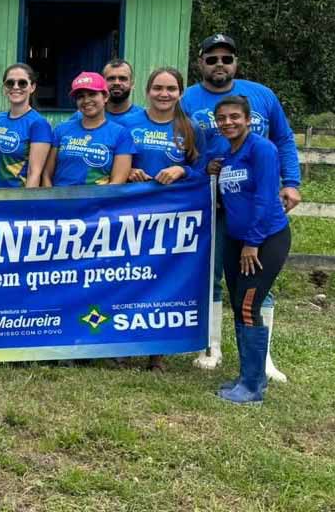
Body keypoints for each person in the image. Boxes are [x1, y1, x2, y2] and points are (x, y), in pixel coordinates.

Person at [182, 33, 300, 379]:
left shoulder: (262, 95)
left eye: (226, 58)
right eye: (212, 58)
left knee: (258, 280)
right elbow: (184, 148)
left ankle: (262, 358)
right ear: (200, 62)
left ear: (236, 62)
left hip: (255, 207)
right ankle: (212, 347)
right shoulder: (188, 98)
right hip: (212, 203)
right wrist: (203, 168)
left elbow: (284, 138)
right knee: (214, 276)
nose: (220, 64)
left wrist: (291, 182)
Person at [119, 67, 205, 371]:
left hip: (172, 218)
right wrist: (128, 172)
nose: (164, 94)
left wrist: (183, 170)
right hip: (133, 214)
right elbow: (117, 164)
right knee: (129, 275)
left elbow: (205, 171)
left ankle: (157, 352)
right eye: (158, 88)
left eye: (170, 88)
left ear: (180, 92)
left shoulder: (191, 128)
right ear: (147, 91)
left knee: (161, 279)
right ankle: (122, 343)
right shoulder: (128, 125)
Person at [209, 96, 291, 404]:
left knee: (247, 307)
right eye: (223, 119)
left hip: (265, 239)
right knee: (240, 305)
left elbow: (266, 198)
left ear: (248, 120)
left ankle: (254, 387)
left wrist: (253, 243)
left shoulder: (262, 149)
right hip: (235, 240)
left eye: (234, 117)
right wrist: (209, 170)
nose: (228, 122)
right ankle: (247, 376)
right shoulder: (227, 155)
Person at [43, 72, 134, 186]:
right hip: (61, 201)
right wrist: (52, 201)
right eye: (81, 96)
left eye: (92, 94)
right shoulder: (61, 130)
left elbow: (117, 183)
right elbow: (47, 174)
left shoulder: (121, 134)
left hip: (98, 202)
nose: (86, 100)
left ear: (105, 96)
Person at [0, 64, 52, 188]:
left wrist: (26, 205)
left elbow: (34, 173)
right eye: (10, 83)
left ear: (32, 87)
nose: (16, 87)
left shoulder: (39, 124)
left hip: (17, 198)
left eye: (22, 83)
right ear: (5, 88)